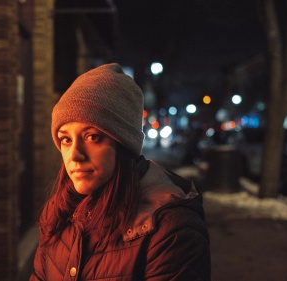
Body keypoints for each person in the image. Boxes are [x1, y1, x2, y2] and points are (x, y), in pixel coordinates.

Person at [30, 63, 211, 281]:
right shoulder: (59, 211)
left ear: (123, 144)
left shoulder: (170, 230)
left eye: (92, 137)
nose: (74, 155)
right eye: (66, 139)